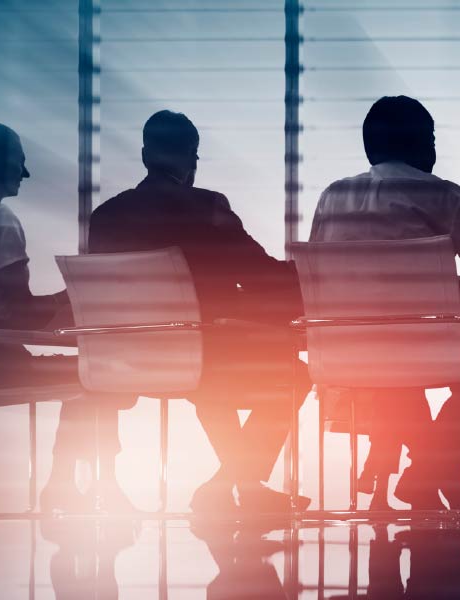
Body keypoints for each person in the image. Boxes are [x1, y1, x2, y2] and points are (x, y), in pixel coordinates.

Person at [307, 95, 460, 511]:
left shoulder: (331, 197)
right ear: (423, 144)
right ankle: (431, 473)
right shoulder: (443, 196)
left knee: (398, 380)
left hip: (344, 351)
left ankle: (428, 476)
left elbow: (316, 268)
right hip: (418, 347)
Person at [87, 110, 309, 513]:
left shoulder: (105, 218)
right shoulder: (207, 207)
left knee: (210, 363)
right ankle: (237, 480)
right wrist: (308, 276)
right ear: (191, 158)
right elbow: (260, 275)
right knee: (297, 373)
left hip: (125, 361)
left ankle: (235, 484)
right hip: (204, 356)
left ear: (144, 155)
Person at [0, 120, 133, 513]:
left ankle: (65, 484)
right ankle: (98, 487)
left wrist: (63, 300)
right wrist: (72, 297)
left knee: (92, 376)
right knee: (103, 375)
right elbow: (19, 311)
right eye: (20, 162)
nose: (25, 173)